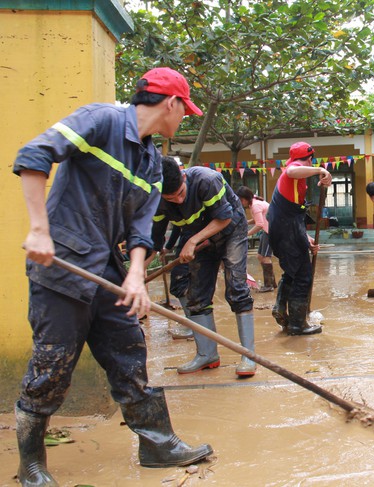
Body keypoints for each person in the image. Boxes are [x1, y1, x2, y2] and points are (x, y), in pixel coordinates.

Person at [13, 67, 212, 486]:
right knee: (52, 366)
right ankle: (31, 463)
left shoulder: (152, 162)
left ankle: (158, 443)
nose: (183, 119)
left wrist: (136, 275)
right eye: (184, 111)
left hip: (108, 270)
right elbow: (34, 155)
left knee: (129, 354)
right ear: (171, 103)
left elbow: (142, 227)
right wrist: (37, 228)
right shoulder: (100, 120)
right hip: (61, 267)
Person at [152, 157, 256, 377]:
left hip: (231, 230)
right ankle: (207, 355)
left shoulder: (207, 180)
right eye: (171, 198)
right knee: (196, 295)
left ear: (184, 176)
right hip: (198, 234)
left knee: (237, 289)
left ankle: (248, 356)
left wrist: (191, 241)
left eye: (181, 193)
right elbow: (153, 242)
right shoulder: (158, 201)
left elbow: (224, 219)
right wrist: (134, 274)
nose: (179, 201)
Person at [267, 142, 332, 336]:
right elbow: (291, 171)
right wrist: (320, 169)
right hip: (286, 231)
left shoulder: (297, 184)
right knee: (303, 275)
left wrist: (305, 237)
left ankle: (280, 308)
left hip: (286, 230)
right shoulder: (292, 171)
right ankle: (297, 324)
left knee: (292, 271)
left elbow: (295, 216)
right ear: (309, 159)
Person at [237, 186, 277, 292]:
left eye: (240, 200)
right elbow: (257, 220)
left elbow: (259, 224)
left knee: (265, 257)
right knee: (260, 256)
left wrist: (247, 234)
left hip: (272, 231)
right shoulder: (254, 202)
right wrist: (246, 222)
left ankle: (268, 286)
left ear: (245, 199)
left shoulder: (255, 205)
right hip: (267, 229)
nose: (240, 203)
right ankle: (272, 283)